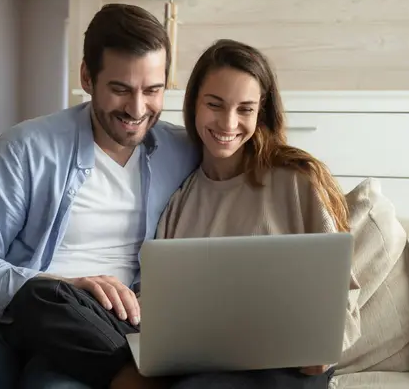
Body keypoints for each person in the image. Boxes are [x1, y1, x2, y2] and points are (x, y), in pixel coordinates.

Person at [0, 3, 198, 389]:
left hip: (96, 334)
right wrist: (52, 289)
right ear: (87, 77)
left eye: (152, 90)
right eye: (120, 89)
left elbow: (249, 156)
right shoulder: (25, 148)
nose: (137, 109)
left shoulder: (182, 150)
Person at [155, 39, 362, 389]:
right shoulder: (180, 202)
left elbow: (345, 289)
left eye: (245, 109)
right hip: (208, 367)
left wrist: (326, 348)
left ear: (261, 112)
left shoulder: (297, 182)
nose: (228, 122)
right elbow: (160, 303)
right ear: (193, 105)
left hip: (291, 365)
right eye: (215, 105)